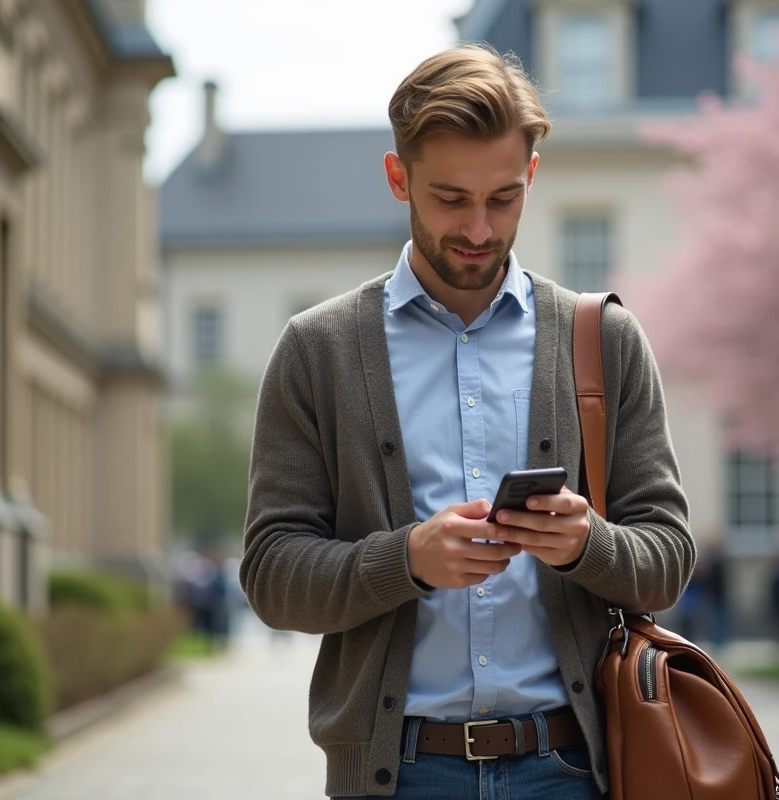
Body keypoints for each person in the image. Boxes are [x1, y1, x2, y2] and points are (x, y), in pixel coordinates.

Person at [239, 44, 694, 800]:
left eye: (504, 198)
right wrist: (408, 560)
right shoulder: (316, 350)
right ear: (398, 179)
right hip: (399, 774)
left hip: (572, 770)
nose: (480, 229)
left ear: (532, 179)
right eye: (451, 198)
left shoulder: (604, 342)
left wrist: (587, 544)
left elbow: (670, 555)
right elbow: (272, 576)